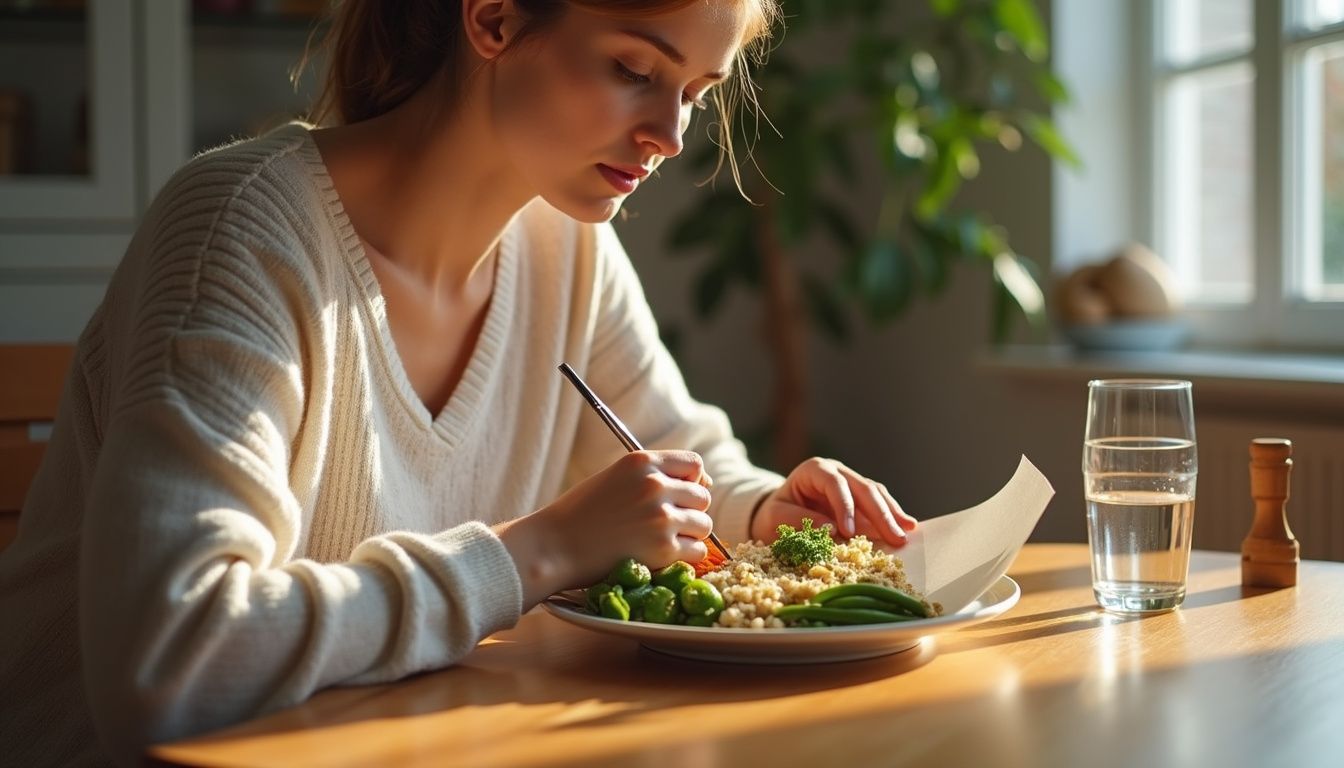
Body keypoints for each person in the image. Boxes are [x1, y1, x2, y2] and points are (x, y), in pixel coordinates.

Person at [0, 1, 917, 765]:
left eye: (694, 94)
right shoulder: (241, 232)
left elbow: (683, 455)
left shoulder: (570, 249)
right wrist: (535, 554)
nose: (671, 136)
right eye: (635, 69)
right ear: (493, 17)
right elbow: (169, 666)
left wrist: (764, 515)